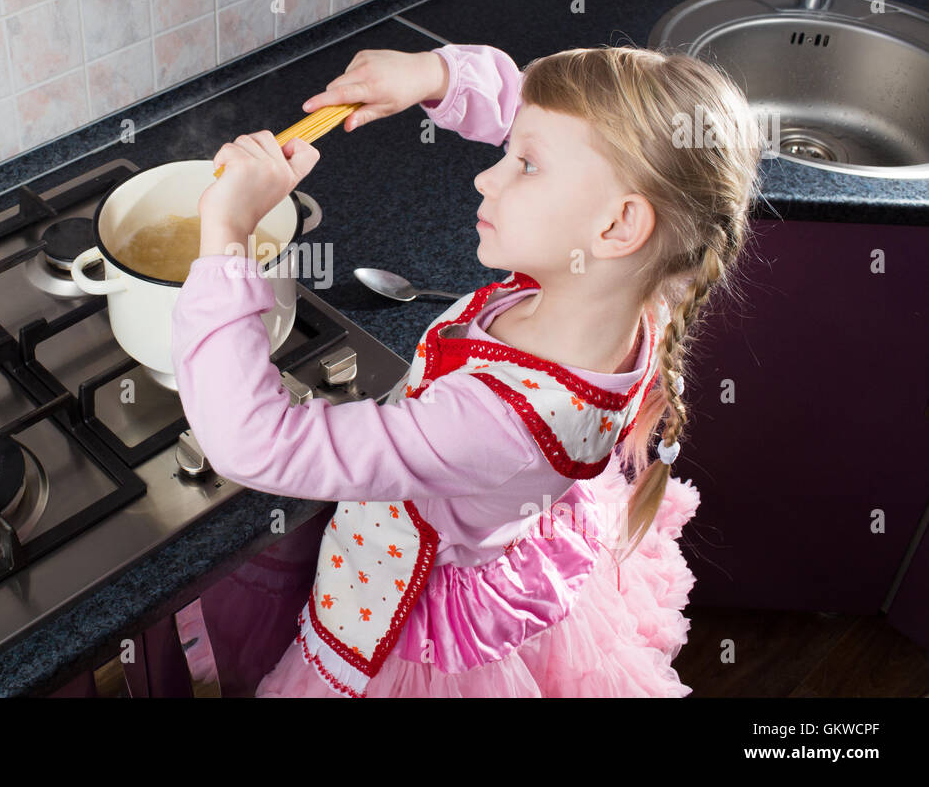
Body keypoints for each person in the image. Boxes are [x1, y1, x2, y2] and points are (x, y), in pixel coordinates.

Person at [170, 43, 764, 697]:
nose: (487, 177)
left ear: (619, 224)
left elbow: (253, 442)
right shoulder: (628, 284)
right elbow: (553, 123)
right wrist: (436, 76)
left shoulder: (488, 424)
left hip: (401, 613)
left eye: (525, 165)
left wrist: (227, 235)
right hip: (502, 536)